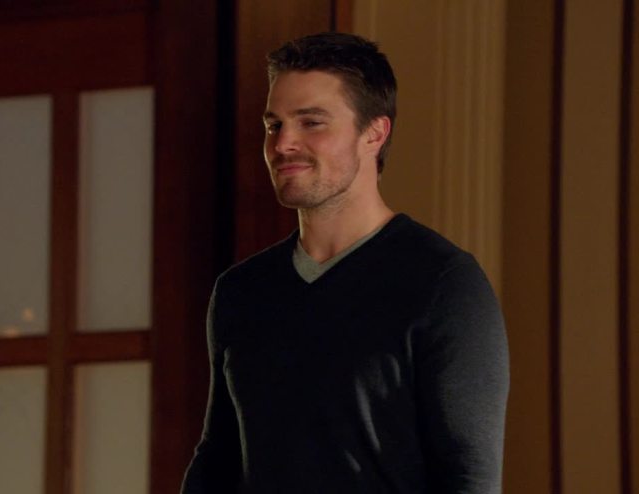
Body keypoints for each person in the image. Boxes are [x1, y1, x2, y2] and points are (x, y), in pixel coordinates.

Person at [181, 32, 509, 494]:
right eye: (274, 125)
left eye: (311, 122)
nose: (283, 143)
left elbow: (469, 477)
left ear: (374, 133)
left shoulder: (443, 283)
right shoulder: (241, 291)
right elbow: (217, 459)